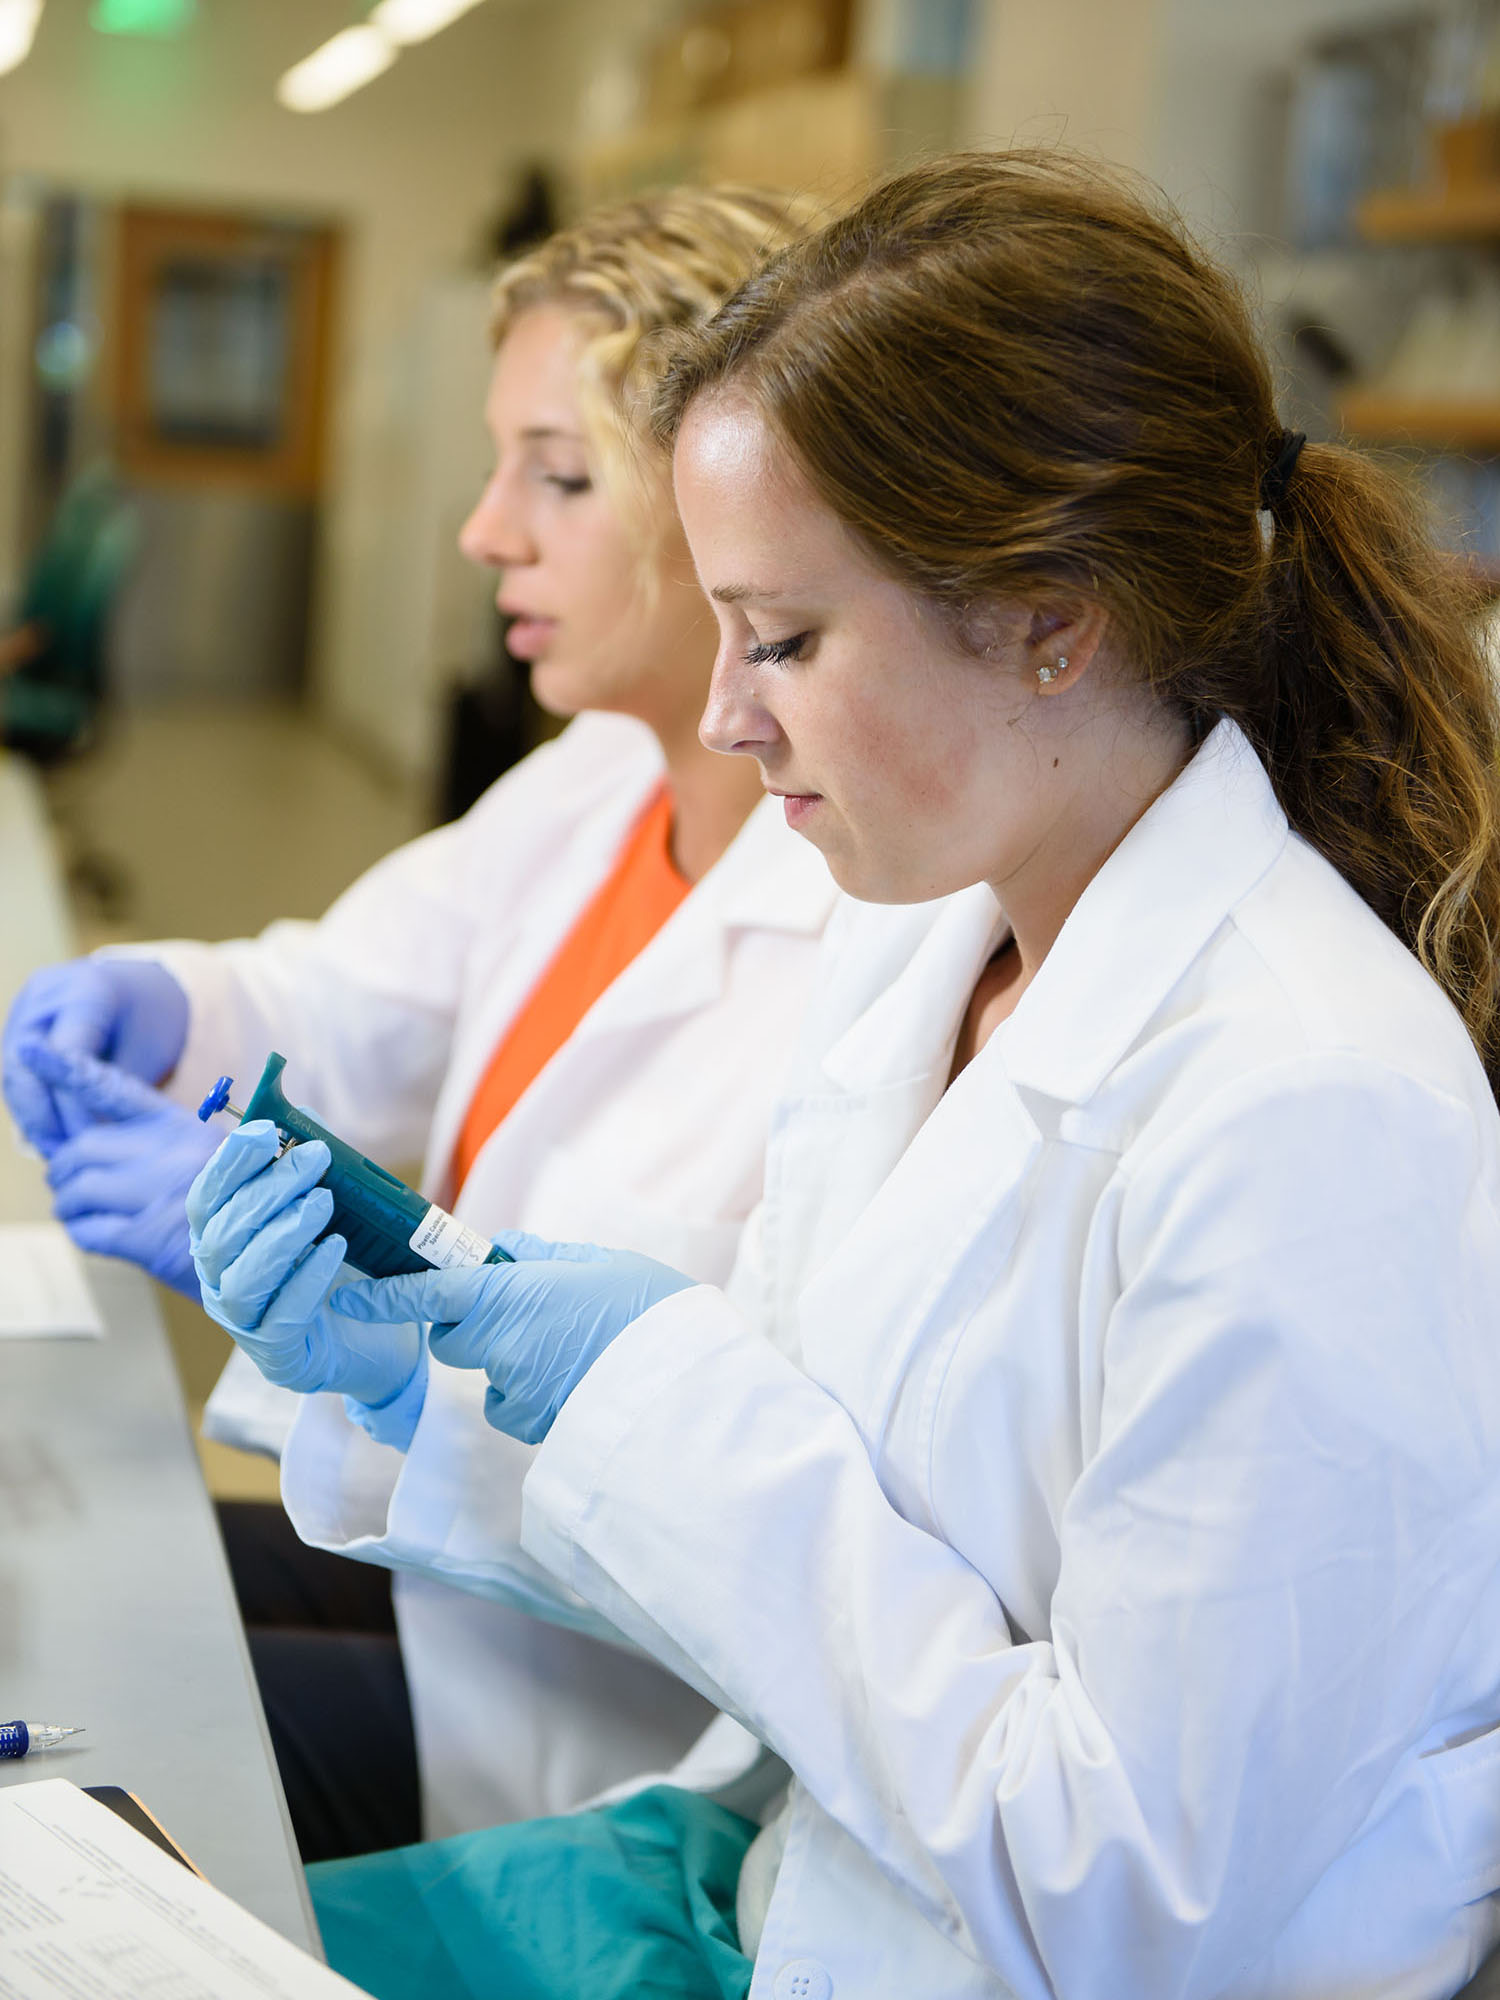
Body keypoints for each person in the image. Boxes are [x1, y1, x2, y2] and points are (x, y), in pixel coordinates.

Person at [189, 148, 1500, 2000]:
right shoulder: (926, 939)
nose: (728, 715)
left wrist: (653, 1398)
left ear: (1053, 618)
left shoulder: (1313, 1111)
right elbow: (797, 1540)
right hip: (780, 1877)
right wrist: (431, 1394)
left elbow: (1117, 1892)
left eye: (788, 640)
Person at [0, 185, 835, 1863]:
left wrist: (368, 1345)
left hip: (608, 1733)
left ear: (734, 498)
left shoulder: (869, 928)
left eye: (557, 473)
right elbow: (347, 996)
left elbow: (743, 1504)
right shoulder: (603, 772)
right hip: (446, 1555)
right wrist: (171, 996)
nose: (484, 532)